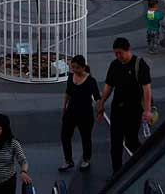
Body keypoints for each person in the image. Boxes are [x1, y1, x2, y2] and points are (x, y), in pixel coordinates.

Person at [97, 37, 153, 173]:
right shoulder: (114, 65)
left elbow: (146, 90)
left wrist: (147, 110)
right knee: (115, 144)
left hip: (134, 110)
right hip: (117, 109)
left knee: (131, 141)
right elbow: (108, 86)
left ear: (128, 50)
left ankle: (144, 162)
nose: (118, 56)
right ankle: (117, 172)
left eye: (120, 53)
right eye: (115, 53)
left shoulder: (140, 65)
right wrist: (102, 102)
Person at [59, 55, 100, 172]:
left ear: (83, 67)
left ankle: (86, 159)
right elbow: (67, 92)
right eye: (73, 67)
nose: (74, 70)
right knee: (65, 136)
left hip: (85, 114)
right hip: (70, 112)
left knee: (85, 137)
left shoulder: (91, 81)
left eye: (77, 68)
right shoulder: (71, 77)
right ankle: (68, 160)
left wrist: (99, 109)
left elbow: (97, 97)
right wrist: (64, 107)